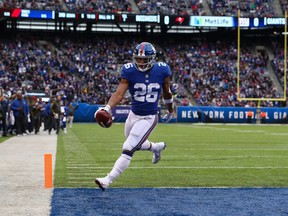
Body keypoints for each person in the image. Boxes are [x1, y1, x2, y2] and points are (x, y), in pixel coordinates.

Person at [94, 42, 174, 191]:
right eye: (138, 59)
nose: (140, 62)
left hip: (149, 117)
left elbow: (167, 93)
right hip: (133, 114)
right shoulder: (129, 71)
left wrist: (170, 110)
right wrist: (107, 108)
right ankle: (156, 148)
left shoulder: (162, 70)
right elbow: (119, 94)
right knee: (136, 143)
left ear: (152, 59)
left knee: (128, 147)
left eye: (144, 59)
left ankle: (107, 180)